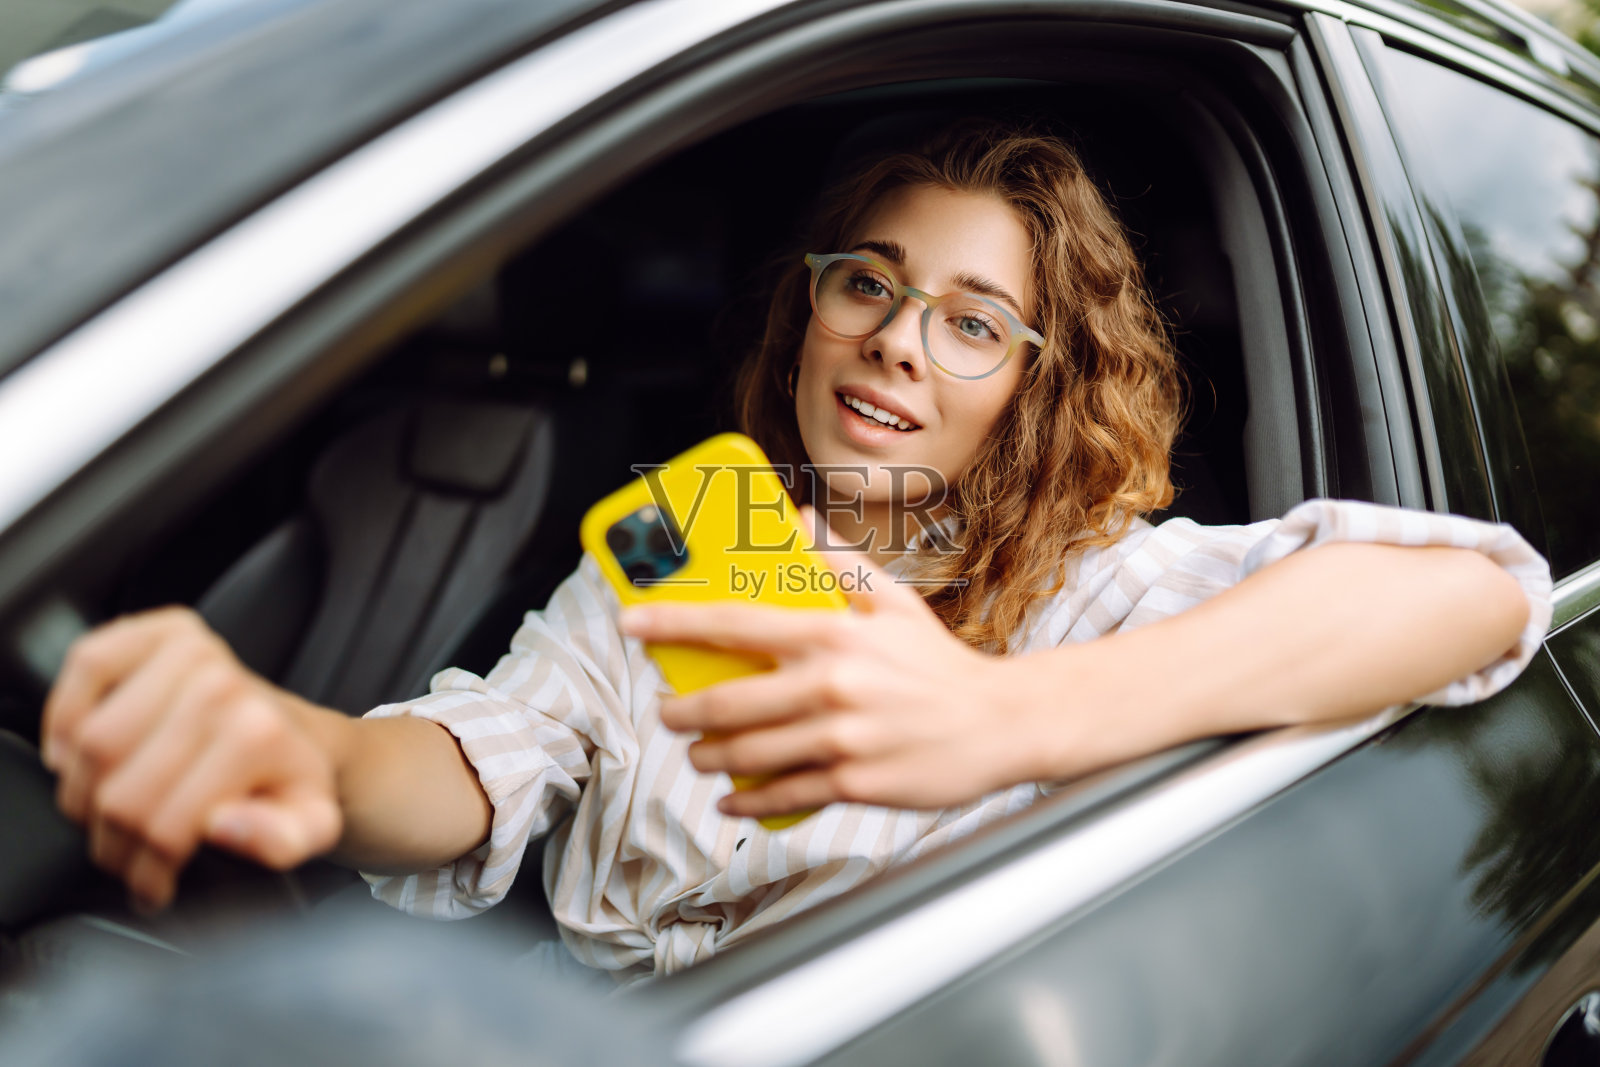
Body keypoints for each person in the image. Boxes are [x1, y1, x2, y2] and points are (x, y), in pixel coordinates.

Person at [38, 122, 1550, 984]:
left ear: (1040, 382)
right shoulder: (698, 535)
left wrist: (993, 721)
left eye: (971, 321)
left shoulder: (1096, 579)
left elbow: (1476, 595)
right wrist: (296, 759)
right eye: (868, 284)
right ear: (808, 307)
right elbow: (487, 751)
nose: (897, 340)